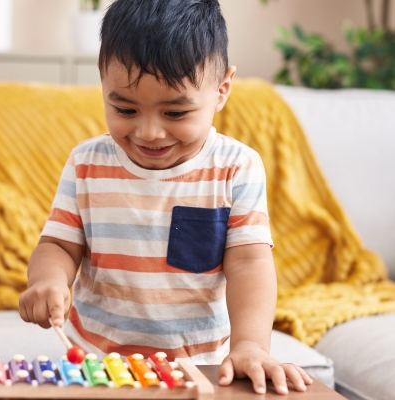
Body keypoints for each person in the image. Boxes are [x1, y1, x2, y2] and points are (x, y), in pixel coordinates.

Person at [18, 0, 314, 395]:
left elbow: (248, 262)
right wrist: (48, 280)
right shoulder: (86, 162)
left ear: (222, 90)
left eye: (175, 113)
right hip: (95, 361)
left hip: (202, 368)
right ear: (103, 83)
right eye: (124, 108)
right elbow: (58, 243)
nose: (149, 133)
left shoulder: (236, 167)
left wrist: (250, 345)